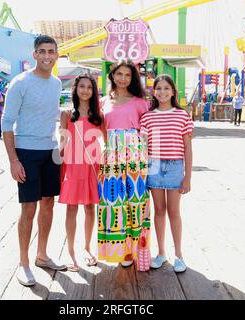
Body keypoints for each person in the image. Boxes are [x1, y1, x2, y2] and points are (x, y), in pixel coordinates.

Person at [1, 35, 66, 287]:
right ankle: (24, 263)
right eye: (42, 51)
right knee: (29, 207)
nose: (47, 56)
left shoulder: (57, 83)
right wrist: (13, 160)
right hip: (25, 151)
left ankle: (42, 255)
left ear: (56, 54)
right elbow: (6, 124)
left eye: (51, 51)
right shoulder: (19, 83)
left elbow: (49, 112)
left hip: (49, 151)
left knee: (48, 203)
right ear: (34, 55)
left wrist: (67, 114)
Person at [98, 59, 151, 270]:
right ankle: (119, 250)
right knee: (113, 201)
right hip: (111, 155)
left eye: (128, 75)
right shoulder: (103, 101)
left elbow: (147, 131)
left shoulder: (140, 102)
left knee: (135, 202)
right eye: (119, 74)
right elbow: (101, 129)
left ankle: (137, 249)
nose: (123, 78)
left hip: (135, 156)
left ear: (133, 78)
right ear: (112, 75)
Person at [140, 75, 193, 273]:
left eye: (166, 88)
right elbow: (143, 146)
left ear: (173, 91)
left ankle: (179, 255)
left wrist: (187, 176)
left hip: (175, 167)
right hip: (152, 166)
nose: (162, 92)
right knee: (159, 210)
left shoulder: (182, 115)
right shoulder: (147, 116)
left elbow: (187, 147)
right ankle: (161, 253)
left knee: (173, 211)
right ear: (154, 92)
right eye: (158, 88)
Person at [58, 74, 103, 272]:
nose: (85, 90)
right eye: (81, 86)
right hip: (73, 165)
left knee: (90, 208)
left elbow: (108, 141)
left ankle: (86, 247)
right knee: (71, 208)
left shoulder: (98, 116)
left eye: (89, 87)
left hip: (93, 164)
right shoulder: (67, 114)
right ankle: (70, 251)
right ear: (76, 89)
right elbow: (62, 141)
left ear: (93, 91)